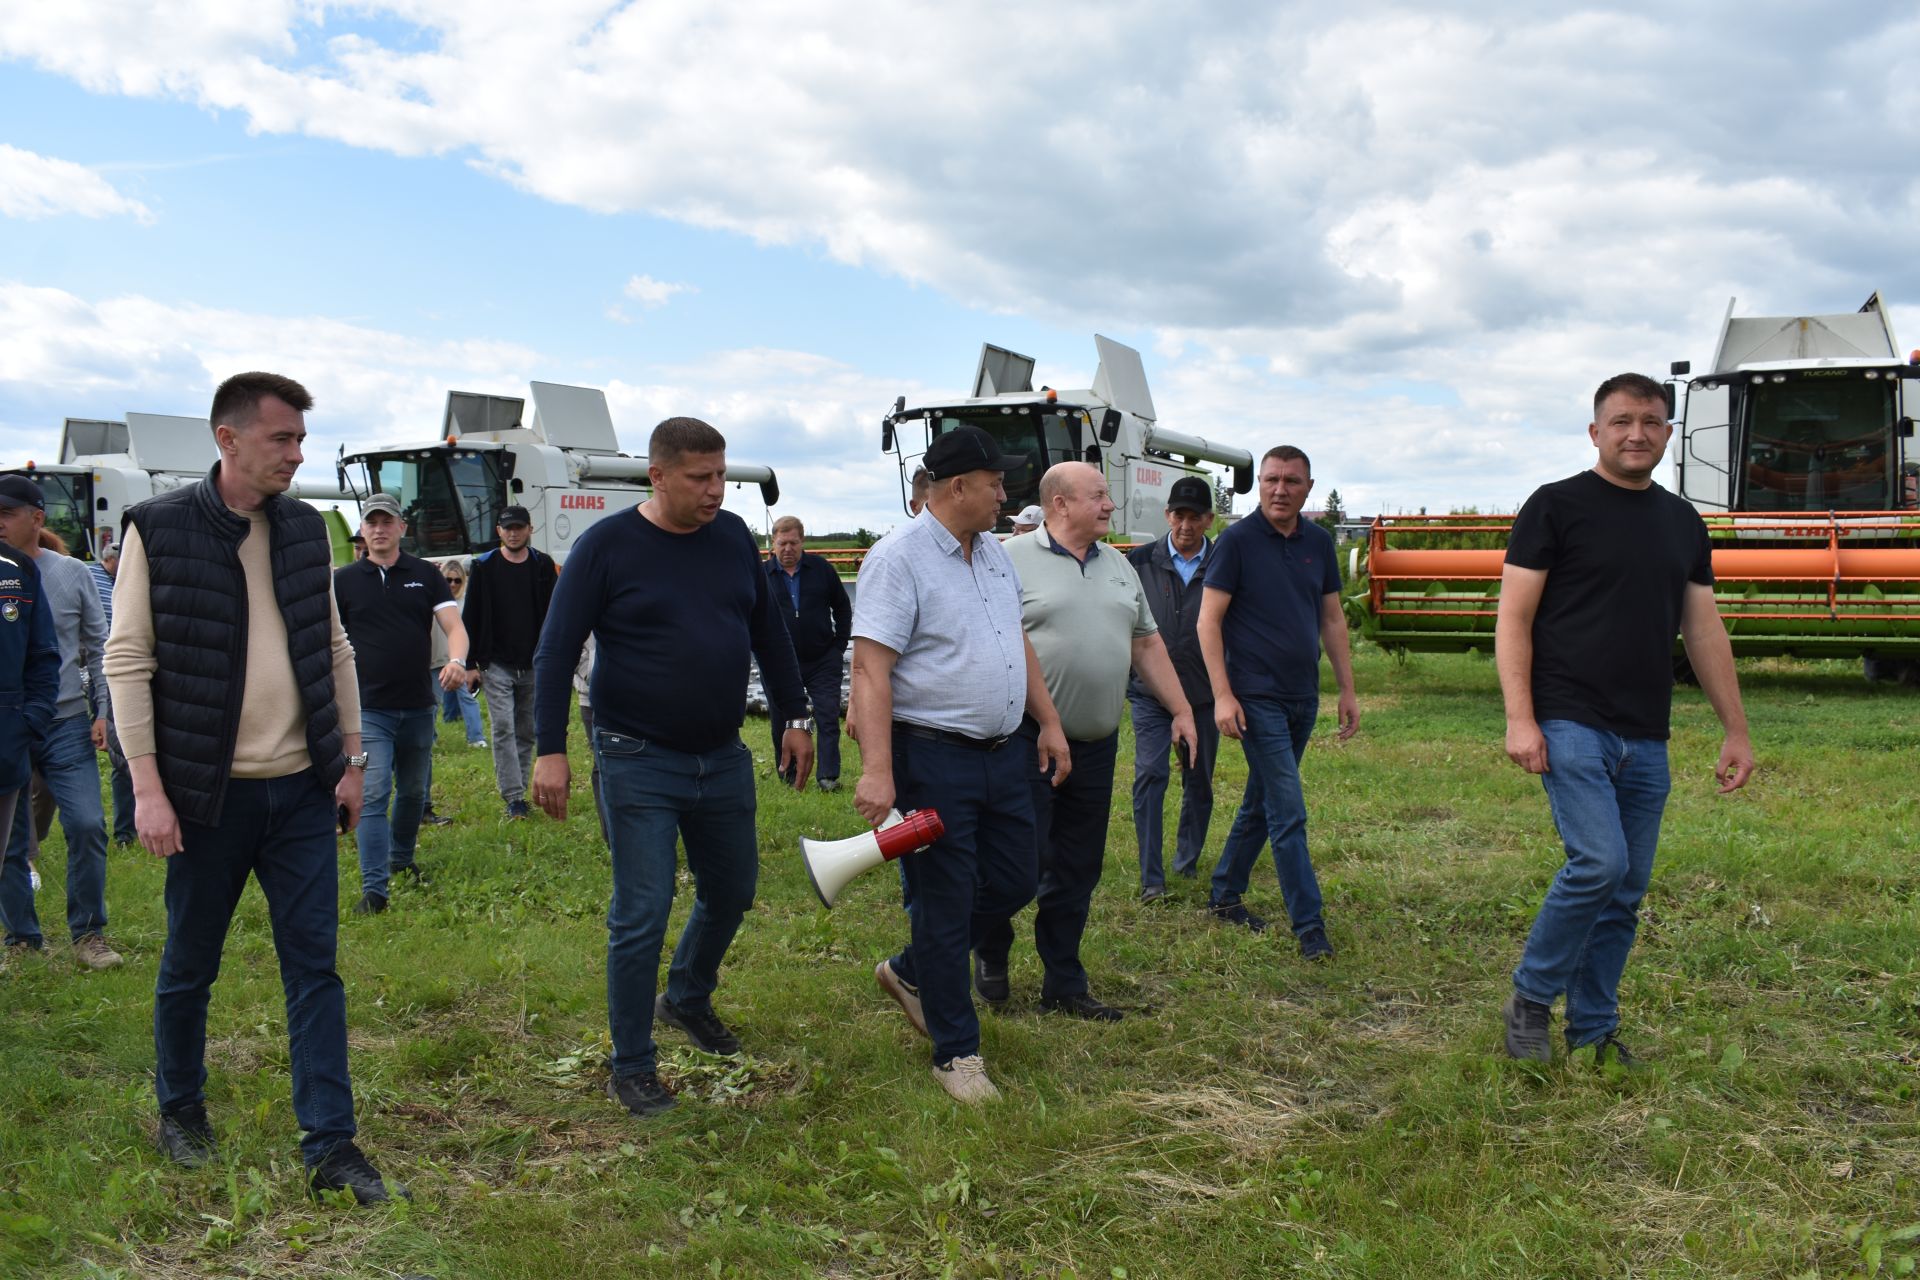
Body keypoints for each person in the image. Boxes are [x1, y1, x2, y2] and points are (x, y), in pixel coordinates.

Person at [105, 371, 404, 1204]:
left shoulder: (307, 529)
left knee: (315, 968)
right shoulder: (157, 529)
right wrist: (150, 790)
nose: (297, 456)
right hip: (208, 797)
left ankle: (332, 1147)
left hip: (302, 791)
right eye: (284, 440)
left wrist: (348, 759)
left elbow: (333, 646)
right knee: (190, 962)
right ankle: (182, 1110)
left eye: (303, 440)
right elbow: (127, 660)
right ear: (227, 440)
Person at [531, 416, 813, 1118]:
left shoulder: (731, 540)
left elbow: (769, 635)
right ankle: (631, 1064)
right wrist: (551, 749)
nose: (716, 489)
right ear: (656, 477)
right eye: (700, 478)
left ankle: (685, 995)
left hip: (720, 755)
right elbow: (555, 650)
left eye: (721, 475)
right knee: (643, 910)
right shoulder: (607, 548)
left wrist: (796, 716)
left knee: (734, 889)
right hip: (635, 755)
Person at [1497, 373, 1754, 1066]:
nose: (1635, 433)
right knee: (1599, 863)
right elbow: (1513, 619)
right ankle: (1530, 997)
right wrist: (1521, 719)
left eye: (1649, 421)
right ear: (1595, 432)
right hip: (1570, 719)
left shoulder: (1682, 522)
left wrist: (1736, 728)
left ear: (1668, 434)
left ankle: (1592, 1028)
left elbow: (1703, 630)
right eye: (1620, 421)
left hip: (1647, 732)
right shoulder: (1554, 507)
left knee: (1626, 889)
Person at [851, 425, 1069, 1103]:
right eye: (997, 482)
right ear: (957, 488)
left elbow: (1016, 643)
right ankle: (957, 1054)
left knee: (1016, 878)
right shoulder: (899, 559)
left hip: (1002, 754)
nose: (1007, 493)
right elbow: (870, 668)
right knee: (946, 901)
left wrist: (1050, 721)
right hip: (933, 758)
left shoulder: (995, 555)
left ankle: (914, 969)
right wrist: (877, 770)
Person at [976, 463, 1197, 1021]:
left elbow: (1146, 645)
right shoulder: (1006, 559)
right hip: (1025, 742)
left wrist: (1180, 709)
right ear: (1059, 504)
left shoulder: (1120, 566)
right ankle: (991, 949)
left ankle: (1064, 982)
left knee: (1077, 867)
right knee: (1018, 864)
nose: (1109, 504)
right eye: (1098, 495)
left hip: (1096, 744)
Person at [1198, 445, 1359, 960]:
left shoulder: (1318, 541)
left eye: (1291, 481)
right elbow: (1208, 621)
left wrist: (1347, 689)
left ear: (1308, 488)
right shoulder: (1237, 541)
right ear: (1259, 484)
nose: (1280, 489)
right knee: (1288, 810)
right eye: (1271, 479)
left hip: (1301, 697)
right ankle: (1310, 927)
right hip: (1255, 697)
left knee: (1261, 801)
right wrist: (1223, 696)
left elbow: (1332, 618)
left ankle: (1225, 894)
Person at [0, 476, 120, 969]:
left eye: (7, 513)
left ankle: (88, 934)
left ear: (36, 518)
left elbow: (101, 645)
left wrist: (104, 713)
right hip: (7, 724)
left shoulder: (73, 573)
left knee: (88, 823)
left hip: (66, 721)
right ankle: (23, 939)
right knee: (9, 836)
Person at [333, 494, 470, 914]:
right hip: (367, 708)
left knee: (412, 791)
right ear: (363, 529)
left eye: (387, 521)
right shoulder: (344, 580)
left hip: (417, 704)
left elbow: (454, 626)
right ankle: (375, 890)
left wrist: (457, 660)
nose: (379, 529)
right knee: (374, 794)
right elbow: (327, 640)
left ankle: (402, 859)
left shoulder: (425, 575)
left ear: (401, 528)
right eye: (371, 522)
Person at [1127, 476, 1220, 901]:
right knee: (1151, 774)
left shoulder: (1223, 563)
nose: (1186, 524)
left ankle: (1187, 861)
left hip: (1203, 694)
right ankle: (1152, 878)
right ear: (1167, 516)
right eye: (1178, 515)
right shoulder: (1139, 562)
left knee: (1198, 780)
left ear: (1208, 519)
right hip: (1150, 694)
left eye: (1195, 517)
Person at [463, 505, 557, 819]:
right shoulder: (484, 566)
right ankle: (514, 797)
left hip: (534, 661)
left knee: (527, 729)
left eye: (519, 527)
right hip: (496, 662)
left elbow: (555, 614)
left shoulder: (542, 565)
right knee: (503, 727)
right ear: (498, 532)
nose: (513, 533)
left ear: (530, 529)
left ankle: (521, 786)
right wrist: (470, 664)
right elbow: (471, 615)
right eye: (507, 528)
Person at [0, 537, 61, 974]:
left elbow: (43, 655)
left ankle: (23, 936)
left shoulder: (17, 569)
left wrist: (28, 721)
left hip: (5, 737)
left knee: (7, 848)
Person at [765, 515, 852, 791]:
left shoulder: (822, 569)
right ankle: (788, 773)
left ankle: (828, 776)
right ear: (773, 545)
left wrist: (838, 646)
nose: (788, 548)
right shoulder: (762, 576)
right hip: (779, 662)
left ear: (802, 542)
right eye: (782, 543)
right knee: (783, 718)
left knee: (827, 715)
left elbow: (842, 607)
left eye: (793, 542)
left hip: (822, 658)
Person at [89, 547, 137, 844]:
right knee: (122, 758)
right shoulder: (92, 576)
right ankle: (124, 833)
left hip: (130, 671)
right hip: (115, 673)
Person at [434, 560, 486, 748]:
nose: (453, 584)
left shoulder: (466, 602)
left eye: (457, 580)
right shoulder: (435, 598)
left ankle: (476, 738)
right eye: (448, 580)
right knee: (433, 701)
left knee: (466, 697)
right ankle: (438, 729)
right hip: (437, 658)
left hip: (458, 659)